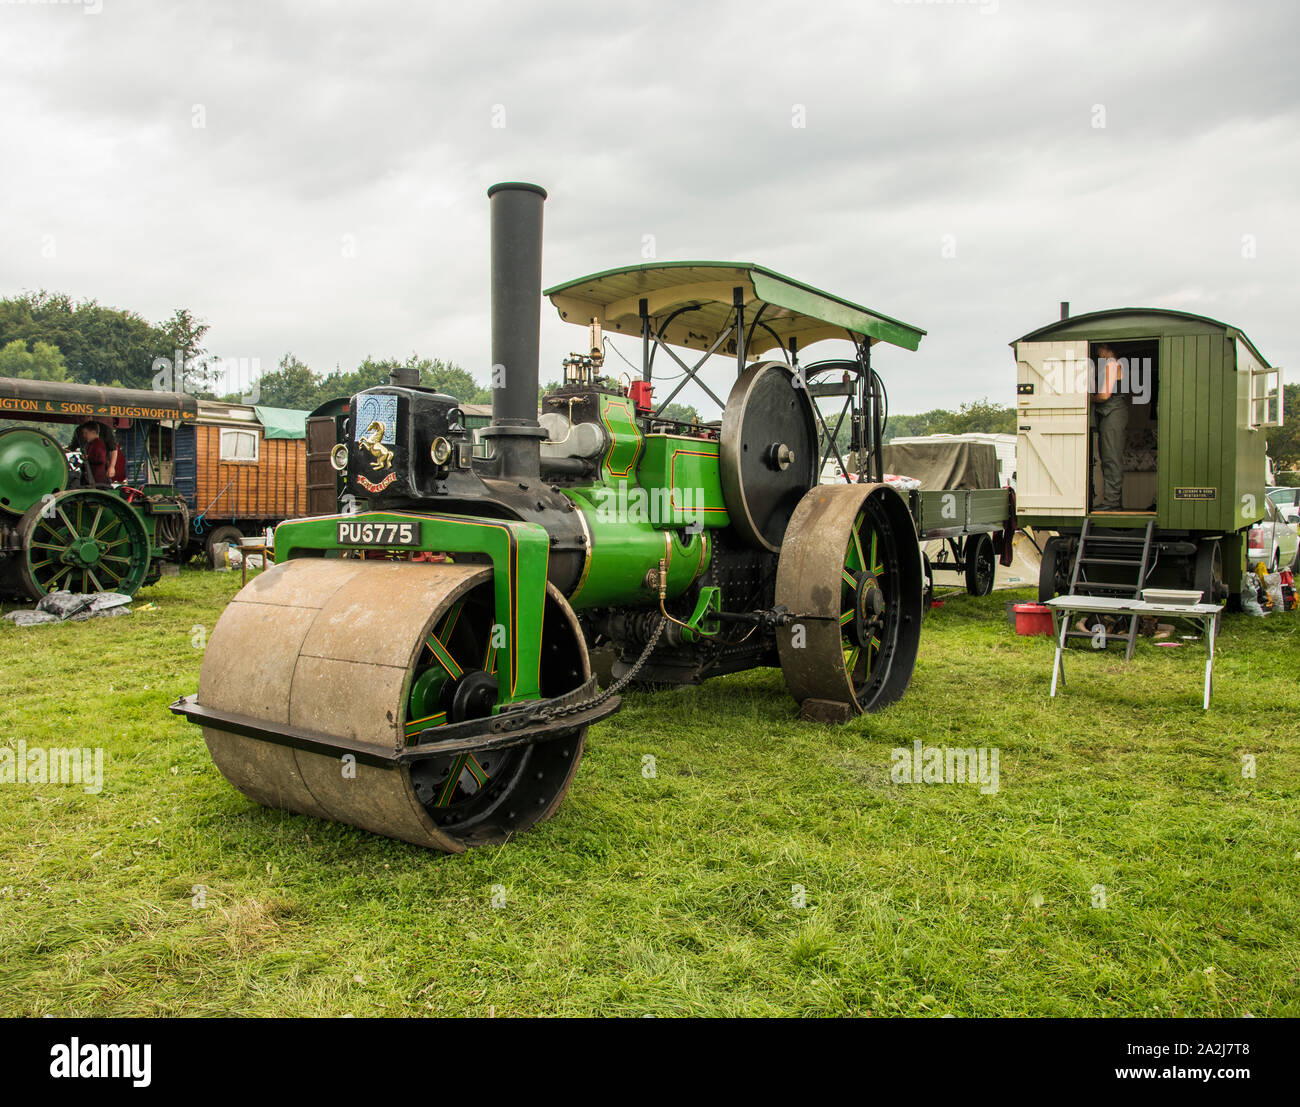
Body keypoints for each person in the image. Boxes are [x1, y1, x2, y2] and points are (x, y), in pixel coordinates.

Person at [1091, 344, 1129, 511]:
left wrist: (1090, 397)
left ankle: (1112, 503)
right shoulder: (1113, 364)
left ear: (1104, 348)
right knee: (1108, 458)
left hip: (1113, 411)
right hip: (1110, 413)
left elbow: (1105, 394)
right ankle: (1112, 501)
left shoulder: (1111, 364)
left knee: (1111, 457)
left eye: (1098, 349)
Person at [75, 421, 110, 486]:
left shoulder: (98, 444)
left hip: (96, 479)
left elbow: (100, 459)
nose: (84, 436)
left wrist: (87, 458)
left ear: (93, 432)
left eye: (86, 433)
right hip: (91, 477)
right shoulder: (92, 444)